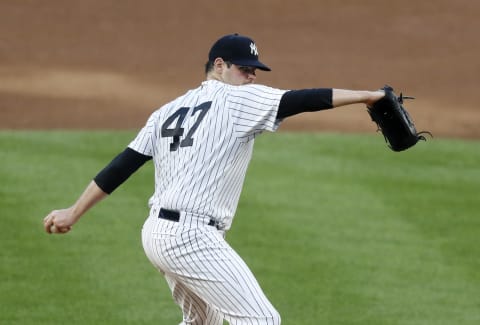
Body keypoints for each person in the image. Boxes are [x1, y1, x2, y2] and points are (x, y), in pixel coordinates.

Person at [43, 33, 385, 325]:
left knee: (201, 322)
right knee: (262, 320)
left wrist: (74, 211)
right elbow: (301, 99)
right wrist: (365, 96)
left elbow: (123, 165)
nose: (251, 77)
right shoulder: (236, 99)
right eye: (244, 69)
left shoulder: (168, 110)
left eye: (254, 71)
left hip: (158, 233)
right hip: (190, 236)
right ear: (218, 66)